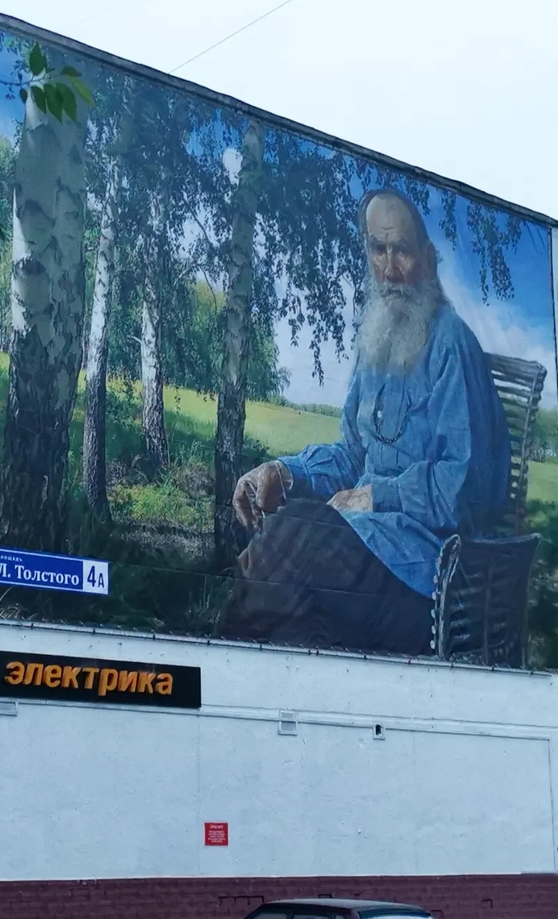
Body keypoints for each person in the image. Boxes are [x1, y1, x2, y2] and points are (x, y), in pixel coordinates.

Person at [216, 189, 511, 656]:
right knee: (290, 592)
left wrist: (378, 495)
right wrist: (286, 471)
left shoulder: (452, 344)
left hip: (427, 576)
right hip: (366, 555)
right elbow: (352, 455)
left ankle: (214, 664)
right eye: (379, 249)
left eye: (402, 251)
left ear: (428, 259)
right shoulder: (376, 339)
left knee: (296, 533)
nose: (390, 268)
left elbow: (468, 486)